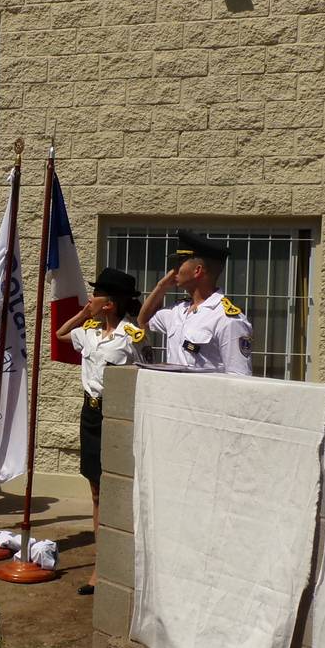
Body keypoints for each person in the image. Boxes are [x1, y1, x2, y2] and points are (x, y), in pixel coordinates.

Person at [56, 267, 146, 596]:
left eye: (96, 296)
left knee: (115, 490)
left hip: (117, 416)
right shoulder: (89, 332)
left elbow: (145, 372)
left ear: (109, 303)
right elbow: (61, 335)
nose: (90, 298)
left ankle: (117, 562)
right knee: (95, 490)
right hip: (91, 415)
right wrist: (83, 313)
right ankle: (100, 564)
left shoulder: (131, 335)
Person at [138, 230, 253, 375]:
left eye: (178, 263)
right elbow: (143, 321)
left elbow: (239, 376)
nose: (173, 270)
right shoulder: (178, 310)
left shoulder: (227, 319)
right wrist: (162, 286)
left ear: (197, 271)